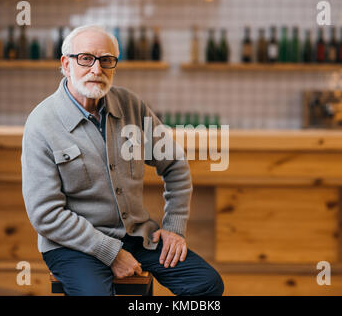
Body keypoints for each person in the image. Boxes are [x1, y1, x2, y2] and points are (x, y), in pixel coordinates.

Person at [21, 24, 223, 296]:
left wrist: (174, 227)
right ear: (66, 64)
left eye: (106, 60)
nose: (96, 69)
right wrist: (112, 253)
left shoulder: (131, 105)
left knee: (206, 285)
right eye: (86, 59)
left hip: (137, 237)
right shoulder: (41, 123)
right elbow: (45, 214)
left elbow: (174, 164)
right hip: (73, 246)